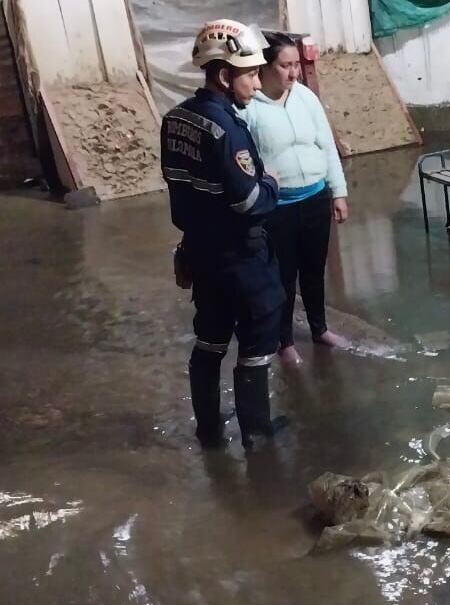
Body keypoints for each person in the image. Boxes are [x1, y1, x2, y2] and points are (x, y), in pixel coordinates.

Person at [161, 19, 286, 448]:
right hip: (241, 259)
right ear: (223, 75)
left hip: (201, 253)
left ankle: (209, 432)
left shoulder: (175, 119)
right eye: (250, 74)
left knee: (209, 342)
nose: (257, 82)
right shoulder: (226, 128)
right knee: (255, 345)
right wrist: (271, 184)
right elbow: (250, 201)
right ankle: (258, 439)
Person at [239, 31, 350, 369]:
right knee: (283, 277)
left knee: (314, 270)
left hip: (315, 197)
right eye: (285, 66)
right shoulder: (249, 109)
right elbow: (244, 162)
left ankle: (320, 329)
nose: (293, 72)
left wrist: (338, 191)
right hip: (277, 208)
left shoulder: (305, 98)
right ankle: (284, 341)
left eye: (296, 65)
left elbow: (326, 146)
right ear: (265, 67)